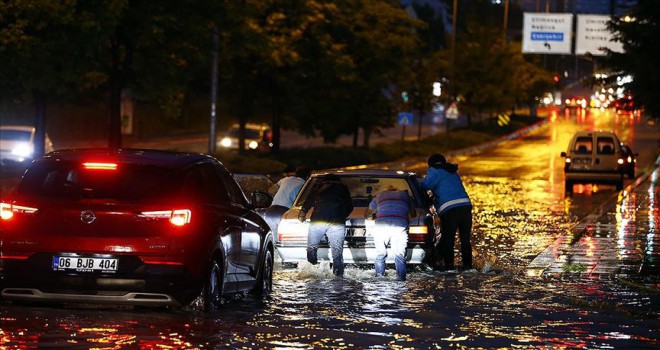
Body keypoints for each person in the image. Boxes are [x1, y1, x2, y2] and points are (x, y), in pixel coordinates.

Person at [422, 153, 473, 271]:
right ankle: (468, 267)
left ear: (431, 164)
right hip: (465, 206)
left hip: (449, 209)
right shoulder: (453, 171)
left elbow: (425, 185)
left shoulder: (435, 171)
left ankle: (449, 267)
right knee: (465, 239)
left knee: (448, 239)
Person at [298, 174, 353, 277]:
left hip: (318, 221)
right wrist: (341, 216)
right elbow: (350, 206)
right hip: (336, 222)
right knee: (337, 251)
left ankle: (311, 272)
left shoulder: (317, 187)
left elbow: (308, 202)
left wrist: (303, 213)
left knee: (312, 248)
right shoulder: (343, 189)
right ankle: (338, 276)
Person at [365, 185, 415, 280]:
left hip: (381, 226)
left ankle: (379, 279)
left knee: (380, 253)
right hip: (399, 226)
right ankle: (401, 280)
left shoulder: (379, 195)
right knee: (399, 254)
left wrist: (373, 217)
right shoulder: (405, 195)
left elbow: (367, 214)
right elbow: (413, 214)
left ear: (386, 191)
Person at [264, 165, 311, 238]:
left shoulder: (286, 179)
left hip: (270, 211)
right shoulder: (304, 186)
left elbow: (270, 190)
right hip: (284, 213)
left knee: (269, 238)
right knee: (282, 239)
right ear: (308, 176)